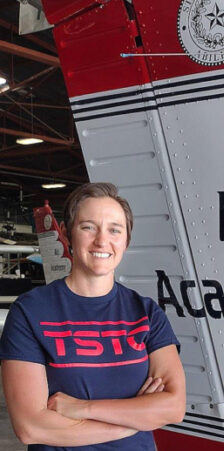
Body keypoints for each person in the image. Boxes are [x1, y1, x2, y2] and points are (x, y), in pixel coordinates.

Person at [0, 182, 186, 450]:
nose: (102, 240)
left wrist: (83, 408)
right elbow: (31, 427)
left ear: (126, 240)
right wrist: (137, 419)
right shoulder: (30, 312)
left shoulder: (146, 313)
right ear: (66, 234)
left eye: (114, 230)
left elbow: (174, 407)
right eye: (88, 227)